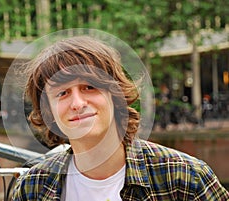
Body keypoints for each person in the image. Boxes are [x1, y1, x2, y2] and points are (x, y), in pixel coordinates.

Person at [12, 36, 229, 200]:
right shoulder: (32, 188)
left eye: (89, 87)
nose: (77, 103)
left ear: (116, 96)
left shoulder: (184, 177)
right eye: (62, 93)